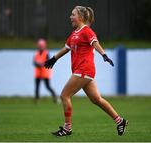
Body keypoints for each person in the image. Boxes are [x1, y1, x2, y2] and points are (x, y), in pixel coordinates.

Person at [44, 6, 128, 136]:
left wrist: (104, 55)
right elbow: (66, 49)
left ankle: (67, 128)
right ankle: (119, 121)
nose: (70, 17)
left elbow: (95, 43)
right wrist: (53, 59)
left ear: (81, 17)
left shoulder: (86, 31)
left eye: (73, 15)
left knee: (64, 96)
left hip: (84, 69)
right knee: (96, 99)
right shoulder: (74, 34)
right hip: (83, 71)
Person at [33, 39, 57, 103]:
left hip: (45, 73)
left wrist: (41, 64)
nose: (40, 47)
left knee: (48, 87)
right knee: (37, 87)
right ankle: (36, 100)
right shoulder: (36, 53)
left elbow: (48, 62)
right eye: (40, 45)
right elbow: (34, 62)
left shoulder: (46, 53)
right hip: (38, 73)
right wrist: (37, 64)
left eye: (42, 45)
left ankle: (55, 97)